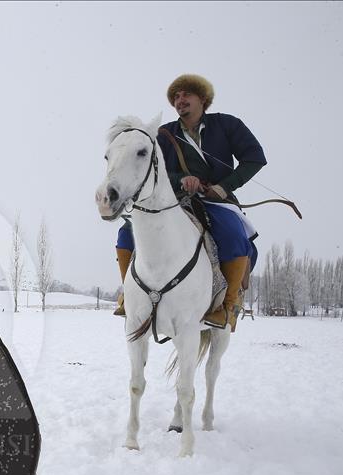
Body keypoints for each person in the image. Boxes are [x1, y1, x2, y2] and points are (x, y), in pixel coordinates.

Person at [114, 73, 266, 332]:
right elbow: (154, 170)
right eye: (175, 96)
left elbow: (255, 158)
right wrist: (182, 179)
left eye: (186, 94)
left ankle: (227, 307)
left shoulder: (227, 125)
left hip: (217, 201)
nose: (179, 100)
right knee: (126, 233)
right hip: (175, 201)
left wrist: (224, 186)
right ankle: (130, 297)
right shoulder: (164, 134)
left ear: (203, 99)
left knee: (233, 235)